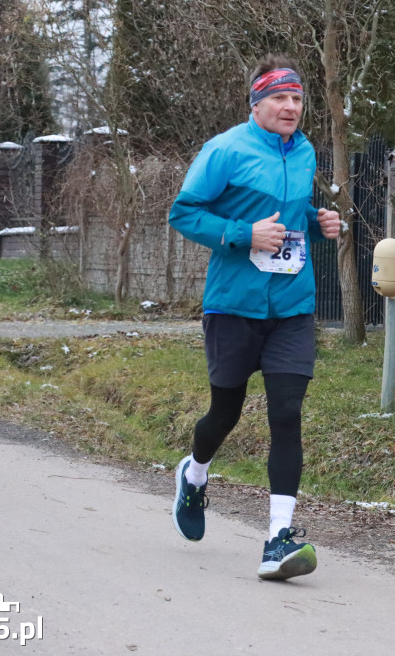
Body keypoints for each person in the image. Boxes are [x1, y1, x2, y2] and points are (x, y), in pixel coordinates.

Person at [167, 54, 341, 581]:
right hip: (234, 304)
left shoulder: (306, 151)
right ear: (257, 103)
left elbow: (289, 219)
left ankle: (277, 540)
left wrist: (317, 223)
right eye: (280, 98)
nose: (291, 107)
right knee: (225, 411)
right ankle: (194, 476)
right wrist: (244, 235)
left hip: (291, 306)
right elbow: (184, 212)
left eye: (298, 99)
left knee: (287, 414)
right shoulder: (225, 150)